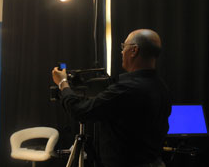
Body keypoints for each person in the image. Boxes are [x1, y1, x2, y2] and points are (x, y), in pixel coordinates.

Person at [52, 29, 171, 167]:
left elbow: (79, 111)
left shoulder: (126, 89)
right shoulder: (161, 86)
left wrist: (62, 83)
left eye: (123, 47)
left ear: (134, 50)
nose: (121, 52)